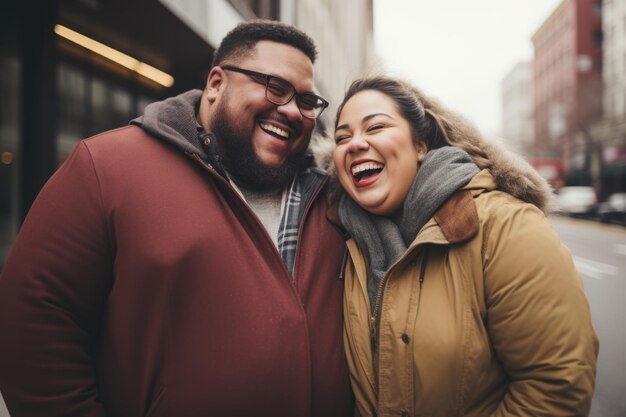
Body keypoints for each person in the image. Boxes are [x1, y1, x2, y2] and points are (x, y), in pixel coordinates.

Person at [0, 20, 353, 417]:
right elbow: (34, 320)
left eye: (307, 101)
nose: (291, 110)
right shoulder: (108, 167)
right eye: (275, 87)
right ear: (217, 84)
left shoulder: (335, 201)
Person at [329, 75, 599, 417]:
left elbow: (556, 386)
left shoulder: (504, 226)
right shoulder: (340, 238)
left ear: (421, 145)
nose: (355, 143)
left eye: (376, 127)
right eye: (342, 136)